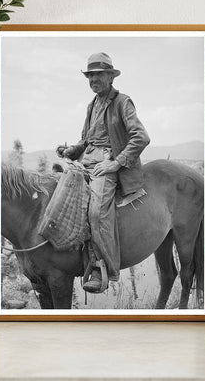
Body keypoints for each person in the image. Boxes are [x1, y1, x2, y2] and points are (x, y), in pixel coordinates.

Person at [56, 52, 150, 293]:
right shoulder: (92, 104)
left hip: (107, 164)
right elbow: (85, 139)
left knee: (97, 212)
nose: (94, 80)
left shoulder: (122, 102)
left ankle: (103, 268)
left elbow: (141, 137)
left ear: (110, 76)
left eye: (98, 75)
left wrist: (116, 163)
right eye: (90, 76)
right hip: (86, 161)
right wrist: (71, 150)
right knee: (58, 196)